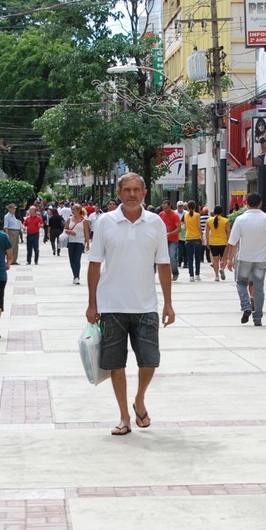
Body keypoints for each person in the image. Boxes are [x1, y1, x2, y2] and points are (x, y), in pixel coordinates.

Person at [86, 173, 174, 436]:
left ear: (145, 193)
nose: (132, 194)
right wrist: (92, 303)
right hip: (111, 305)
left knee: (150, 361)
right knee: (116, 364)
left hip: (146, 304)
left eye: (137, 189)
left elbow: (164, 264)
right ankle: (124, 416)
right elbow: (94, 263)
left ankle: (139, 399)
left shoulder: (155, 223)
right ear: (119, 192)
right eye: (127, 190)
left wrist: (168, 303)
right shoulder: (105, 222)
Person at [223, 192, 266, 326]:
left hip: (244, 259)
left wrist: (230, 259)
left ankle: (246, 306)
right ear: (260, 203)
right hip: (261, 260)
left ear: (246, 203)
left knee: (241, 283)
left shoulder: (241, 219)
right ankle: (258, 318)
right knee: (259, 288)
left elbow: (234, 241)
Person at [64, 203, 91, 285]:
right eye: (72, 210)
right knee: (71, 260)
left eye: (74, 210)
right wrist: (69, 232)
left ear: (79, 211)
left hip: (80, 241)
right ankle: (74, 275)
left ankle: (77, 277)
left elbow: (86, 232)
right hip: (71, 241)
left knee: (77, 259)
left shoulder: (84, 221)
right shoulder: (69, 219)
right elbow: (65, 229)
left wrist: (87, 243)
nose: (73, 211)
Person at [157, 200, 181, 281]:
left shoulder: (175, 215)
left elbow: (179, 229)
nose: (165, 210)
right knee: (162, 257)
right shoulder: (161, 214)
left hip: (173, 239)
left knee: (172, 255)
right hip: (163, 240)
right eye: (163, 208)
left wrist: (169, 234)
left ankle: (175, 272)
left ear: (170, 206)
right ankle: (165, 273)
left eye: (166, 208)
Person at [206, 205, 230, 281]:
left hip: (213, 242)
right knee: (224, 258)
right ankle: (222, 268)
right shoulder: (225, 220)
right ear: (221, 212)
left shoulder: (209, 220)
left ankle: (216, 276)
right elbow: (228, 232)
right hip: (223, 242)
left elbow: (207, 232)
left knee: (215, 260)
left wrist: (207, 241)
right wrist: (229, 241)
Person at [183, 200, 204, 281]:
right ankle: (197, 275)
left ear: (187, 207)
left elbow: (185, 226)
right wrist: (201, 237)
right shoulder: (197, 215)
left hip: (188, 237)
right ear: (195, 206)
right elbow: (199, 227)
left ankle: (191, 276)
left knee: (190, 258)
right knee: (197, 258)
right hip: (196, 238)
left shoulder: (185, 215)